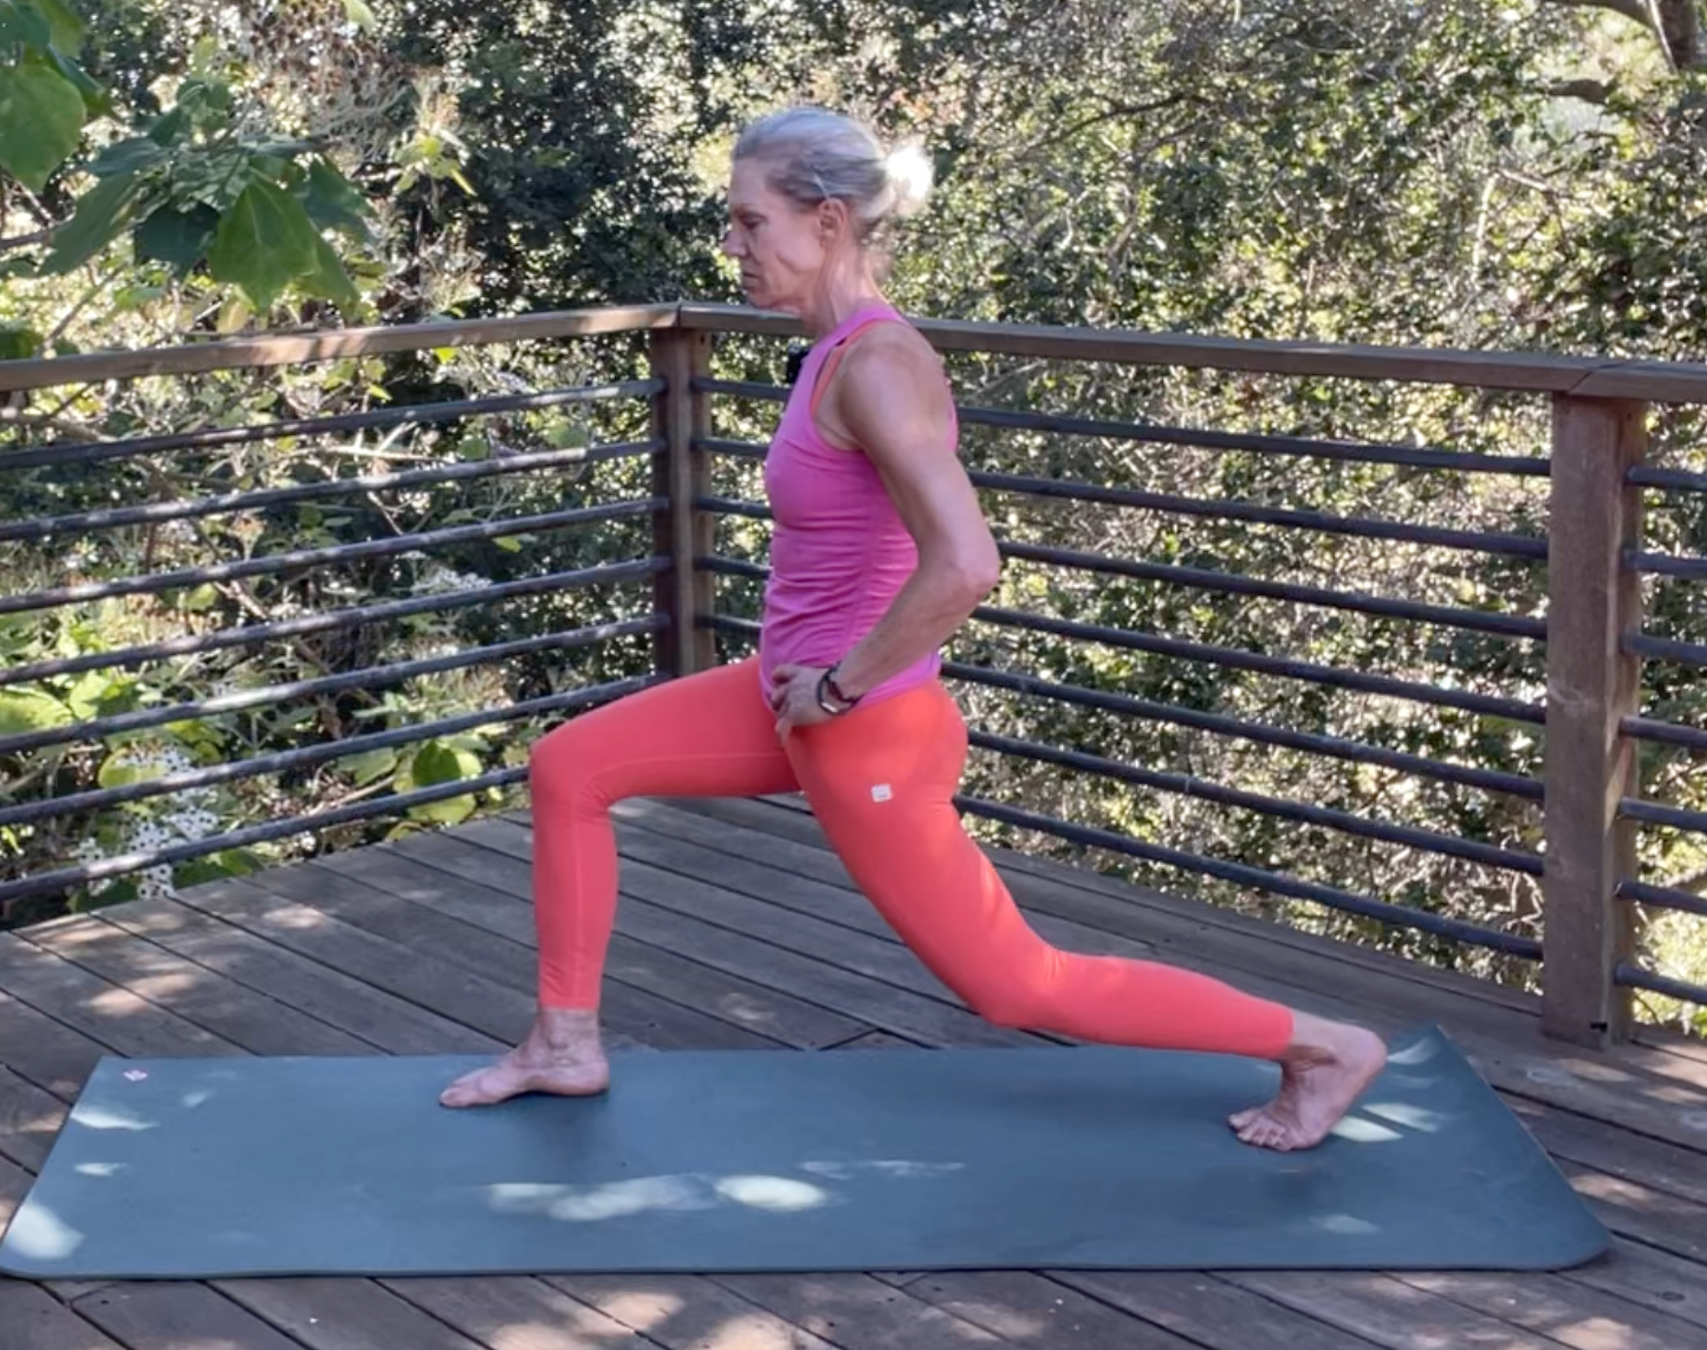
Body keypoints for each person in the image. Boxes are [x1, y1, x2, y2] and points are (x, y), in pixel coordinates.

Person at [437, 105, 1387, 1150]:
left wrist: (840, 686)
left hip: (859, 727)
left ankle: (1322, 1045)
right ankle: (563, 1042)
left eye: (751, 223)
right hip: (787, 698)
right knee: (570, 767)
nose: (734, 247)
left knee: (1018, 986)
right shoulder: (832, 354)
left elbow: (967, 562)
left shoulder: (880, 366)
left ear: (829, 220)